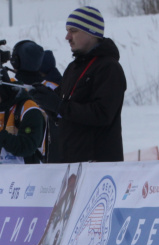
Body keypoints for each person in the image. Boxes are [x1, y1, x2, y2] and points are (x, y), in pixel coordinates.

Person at [28, 6, 126, 163]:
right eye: (67, 31)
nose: (67, 37)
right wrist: (45, 100)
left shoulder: (109, 68)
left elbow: (102, 114)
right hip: (71, 162)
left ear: (92, 32)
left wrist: (58, 106)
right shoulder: (73, 67)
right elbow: (63, 114)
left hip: (98, 165)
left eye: (73, 31)